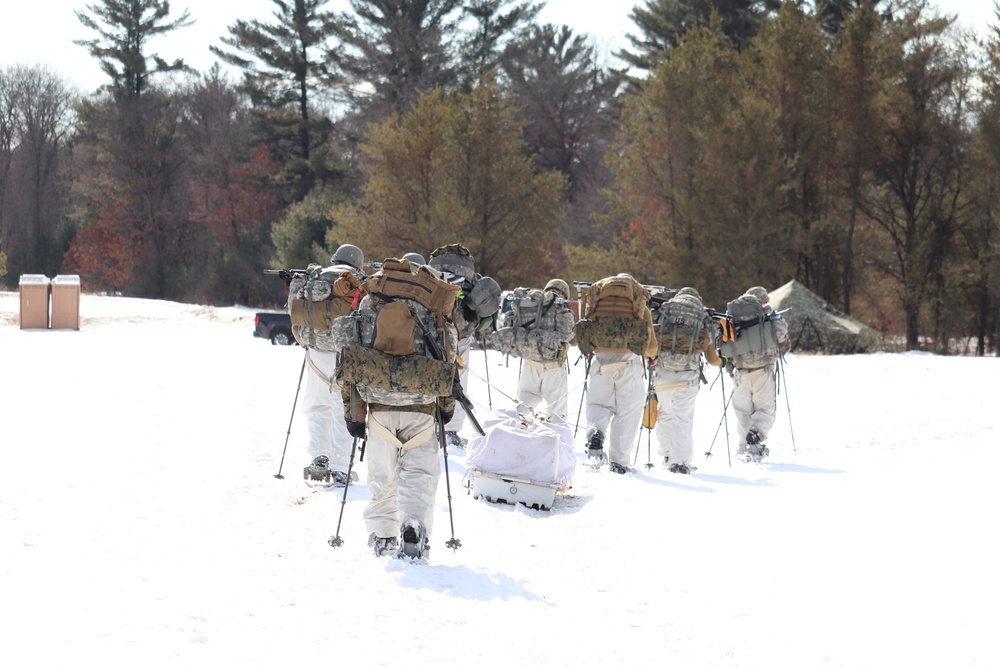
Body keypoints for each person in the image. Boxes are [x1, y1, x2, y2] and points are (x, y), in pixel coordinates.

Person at [338, 258, 461, 559]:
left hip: (379, 405)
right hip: (421, 406)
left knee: (382, 475)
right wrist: (445, 408)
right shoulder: (433, 305)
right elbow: (448, 360)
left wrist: (354, 416)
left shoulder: (369, 302)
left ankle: (382, 535)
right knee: (420, 472)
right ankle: (414, 523)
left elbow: (350, 362)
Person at [287, 243, 364, 486]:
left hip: (316, 352)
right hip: (346, 355)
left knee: (317, 406)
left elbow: (293, 310)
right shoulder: (358, 280)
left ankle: (319, 460)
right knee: (344, 410)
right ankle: (341, 468)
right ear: (357, 264)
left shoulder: (316, 275)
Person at [578, 273, 658, 474]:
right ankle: (619, 462)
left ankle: (596, 433)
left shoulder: (598, 303)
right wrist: (651, 356)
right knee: (627, 413)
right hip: (629, 365)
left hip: (600, 362)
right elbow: (652, 347)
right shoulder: (639, 306)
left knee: (598, 405)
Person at [426, 244, 501, 448]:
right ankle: (450, 431)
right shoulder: (469, 272)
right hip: (461, 333)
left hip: (432, 330)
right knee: (458, 382)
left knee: (428, 374)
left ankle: (427, 424)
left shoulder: (434, 267)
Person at [650, 287, 721, 474]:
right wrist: (723, 362)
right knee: (683, 418)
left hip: (663, 372)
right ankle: (679, 462)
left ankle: (666, 453)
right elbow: (712, 357)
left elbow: (650, 337)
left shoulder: (664, 310)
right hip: (688, 375)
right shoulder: (703, 316)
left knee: (665, 413)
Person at [490, 279, 577, 419]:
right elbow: (567, 335)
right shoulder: (560, 308)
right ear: (563, 293)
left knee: (525, 400)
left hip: (530, 362)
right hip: (554, 365)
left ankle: (518, 427)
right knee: (557, 409)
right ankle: (557, 437)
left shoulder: (532, 306)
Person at [724, 285, 790, 462]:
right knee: (765, 410)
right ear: (761, 301)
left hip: (739, 372)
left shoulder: (731, 315)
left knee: (743, 413)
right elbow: (782, 338)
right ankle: (756, 433)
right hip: (762, 372)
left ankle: (744, 449)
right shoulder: (767, 316)